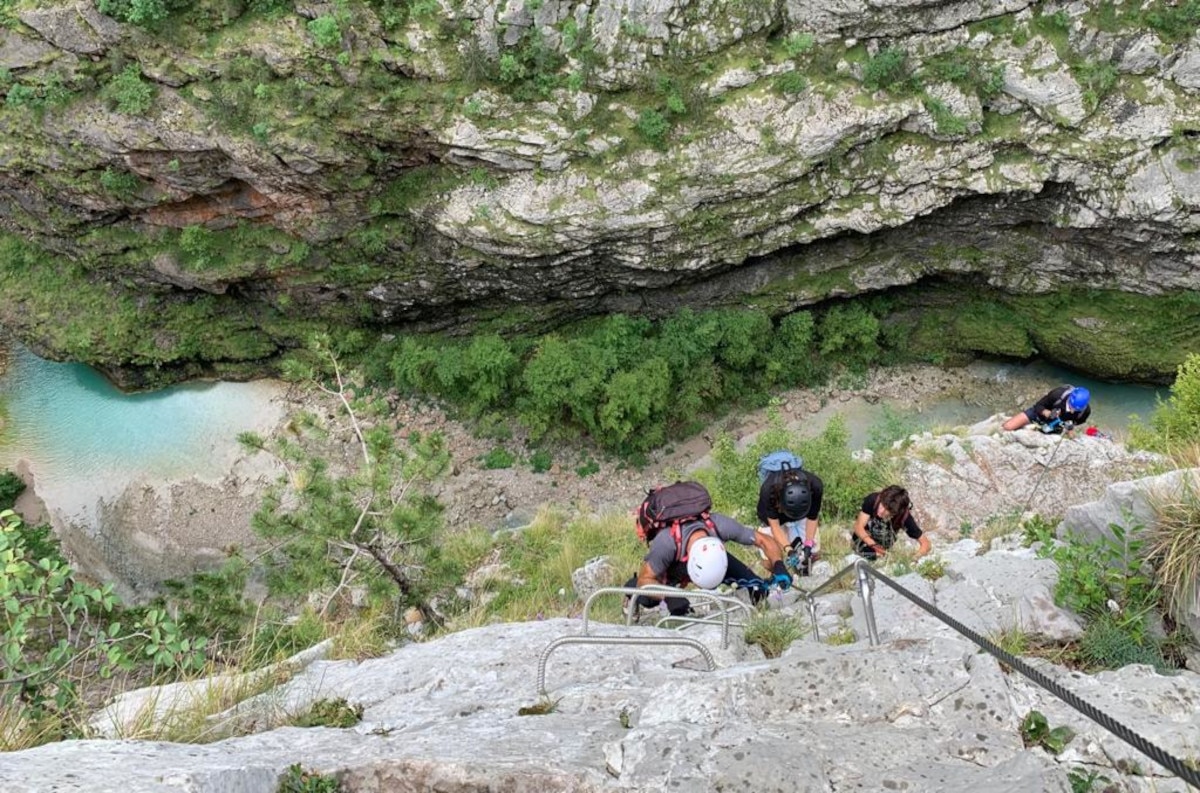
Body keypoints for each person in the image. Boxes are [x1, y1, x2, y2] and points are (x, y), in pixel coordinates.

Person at [626, 510, 790, 617]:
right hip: (673, 566)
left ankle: (758, 616)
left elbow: (763, 540)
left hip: (712, 557)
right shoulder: (665, 543)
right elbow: (644, 581)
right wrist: (668, 596)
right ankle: (628, 592)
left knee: (756, 587)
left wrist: (778, 565)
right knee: (649, 599)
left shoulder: (720, 525)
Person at [756, 465, 824, 574]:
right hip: (772, 520)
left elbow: (812, 517)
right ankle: (782, 578)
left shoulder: (815, 486)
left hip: (802, 515)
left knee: (813, 555)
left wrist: (808, 544)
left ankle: (805, 572)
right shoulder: (768, 491)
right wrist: (789, 550)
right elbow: (775, 527)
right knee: (770, 561)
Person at [851, 485, 931, 561]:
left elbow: (926, 543)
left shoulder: (904, 517)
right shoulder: (873, 499)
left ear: (895, 512)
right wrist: (873, 545)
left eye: (887, 510)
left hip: (883, 546)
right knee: (857, 542)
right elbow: (858, 527)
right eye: (882, 505)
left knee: (875, 557)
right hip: (864, 539)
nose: (881, 511)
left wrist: (913, 558)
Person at [1002, 386, 1091, 434]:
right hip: (1039, 414)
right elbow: (1038, 406)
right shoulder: (1058, 394)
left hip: (1055, 424)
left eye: (1076, 410)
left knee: (1040, 435)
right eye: (1071, 407)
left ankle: (1040, 430)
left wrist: (1069, 427)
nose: (1072, 411)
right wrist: (1046, 413)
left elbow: (1077, 422)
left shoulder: (1085, 411)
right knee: (1008, 427)